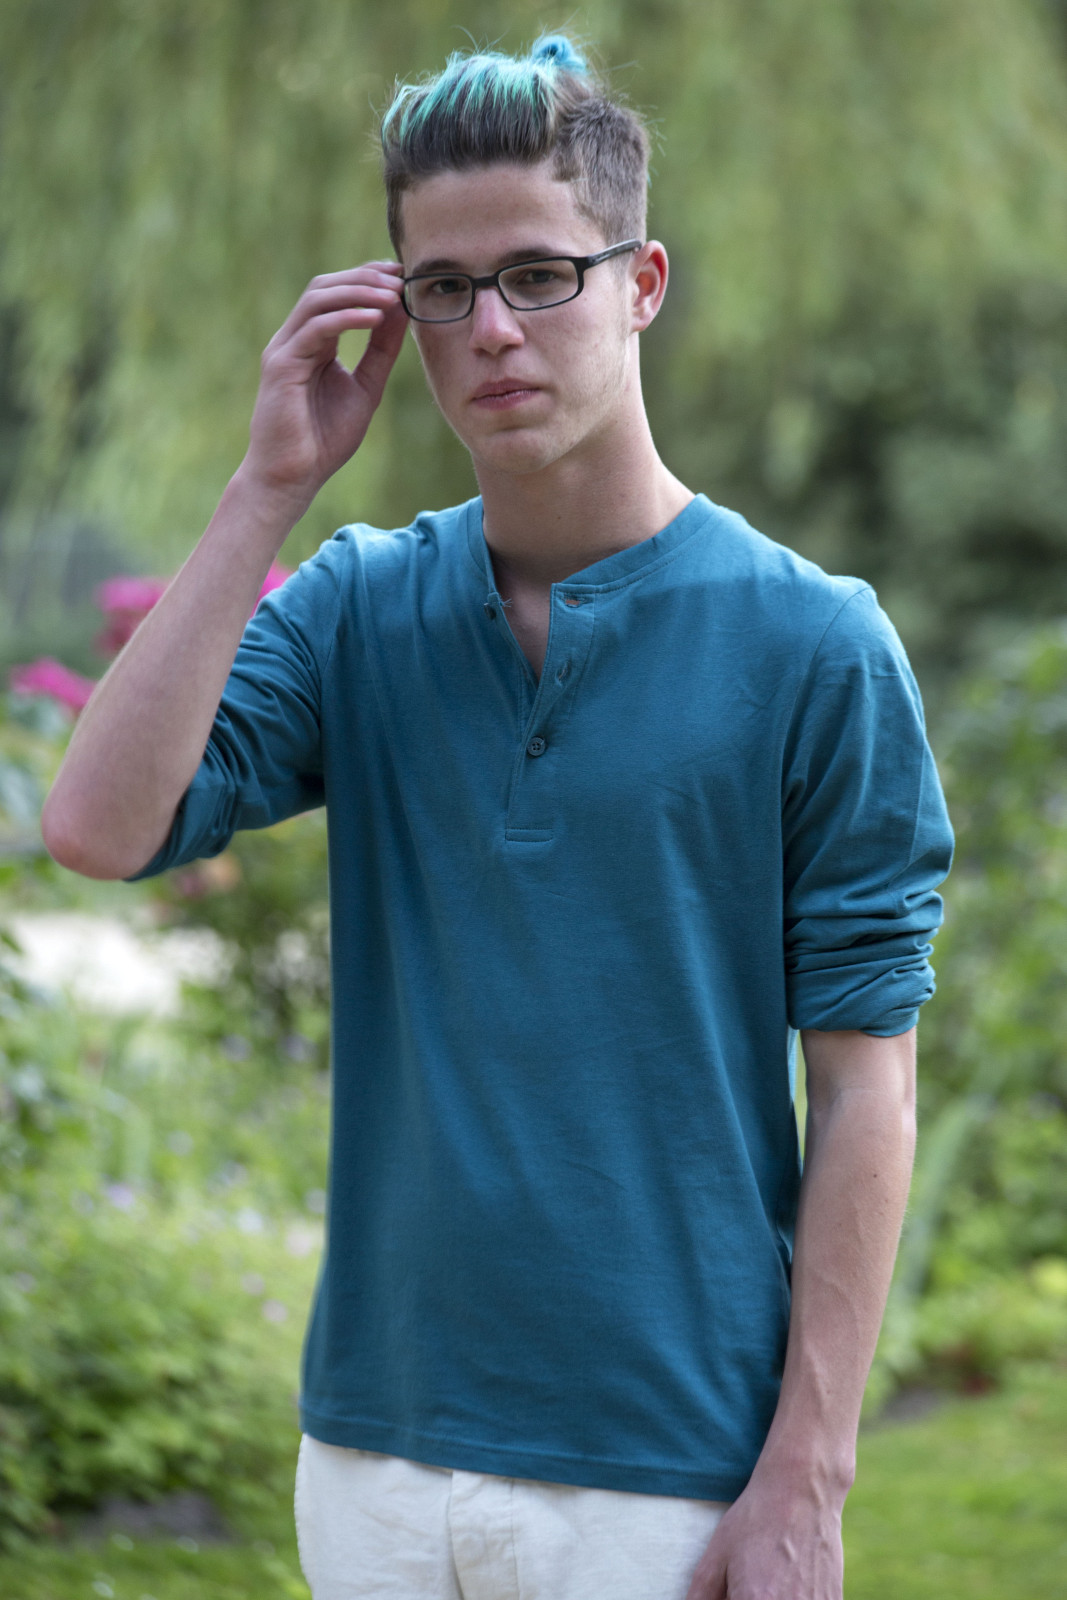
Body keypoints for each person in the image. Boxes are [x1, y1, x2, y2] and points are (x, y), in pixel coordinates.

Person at [42, 33, 954, 1600]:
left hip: (663, 1476)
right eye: (444, 290)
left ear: (642, 282)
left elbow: (865, 1083)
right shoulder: (357, 609)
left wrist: (808, 1474)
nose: (493, 332)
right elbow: (99, 828)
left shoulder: (814, 645)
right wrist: (266, 492)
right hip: (373, 1462)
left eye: (540, 275)